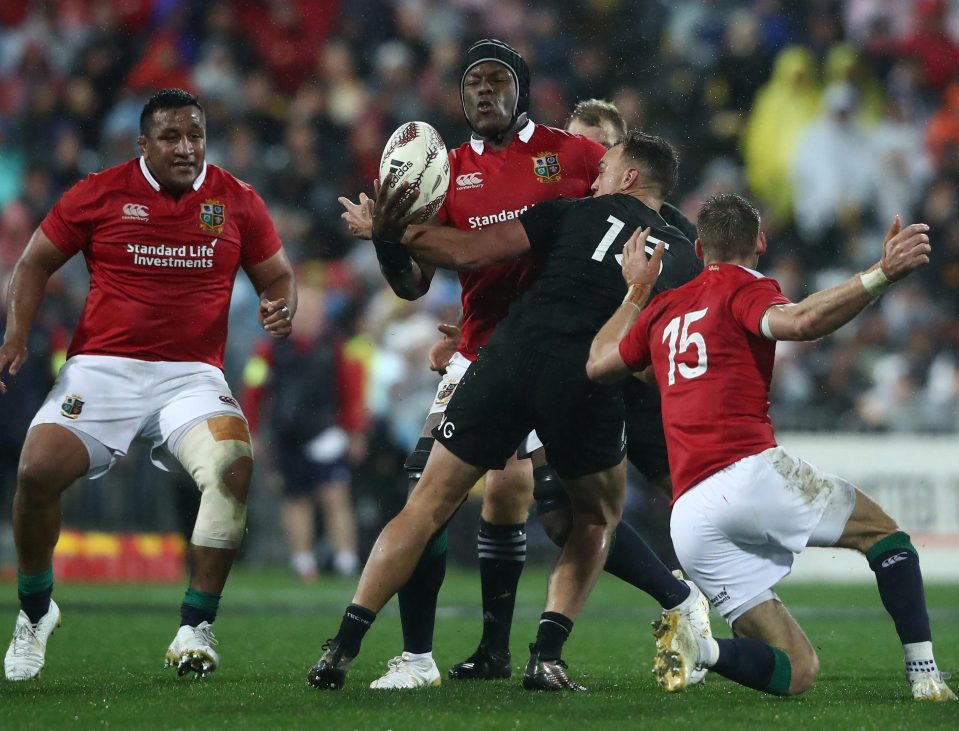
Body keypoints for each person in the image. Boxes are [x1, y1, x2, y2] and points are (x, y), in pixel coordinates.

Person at [338, 41, 705, 690]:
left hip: (571, 355)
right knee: (437, 496)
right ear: (458, 97)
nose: (484, 91)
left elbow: (646, 200)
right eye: (472, 81)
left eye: (497, 79)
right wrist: (389, 240)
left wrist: (686, 257)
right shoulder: (444, 172)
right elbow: (413, 283)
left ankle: (676, 601)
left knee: (568, 513)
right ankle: (424, 655)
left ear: (520, 90)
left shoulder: (574, 153)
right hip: (486, 352)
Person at [586, 193, 956, 702]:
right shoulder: (745, 286)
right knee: (887, 539)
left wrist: (636, 291)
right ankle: (925, 676)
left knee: (797, 671)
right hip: (748, 473)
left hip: (690, 516)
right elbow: (801, 322)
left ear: (697, 249)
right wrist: (881, 274)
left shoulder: (662, 308)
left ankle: (703, 651)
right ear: (760, 241)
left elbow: (599, 363)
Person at [0, 88, 296, 682]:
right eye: (171, 137)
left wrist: (280, 308)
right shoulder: (98, 193)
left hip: (191, 375)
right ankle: (35, 612)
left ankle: (196, 626)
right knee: (36, 473)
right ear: (143, 145)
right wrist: (16, 335)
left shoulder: (237, 200)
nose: (186, 148)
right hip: (102, 368)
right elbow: (33, 261)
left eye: (195, 136)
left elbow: (278, 276)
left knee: (234, 466)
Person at [242, 274, 367, 582]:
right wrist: (253, 430)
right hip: (287, 434)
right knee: (295, 498)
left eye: (316, 308)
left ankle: (346, 561)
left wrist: (354, 431)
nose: (311, 314)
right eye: (305, 308)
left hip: (326, 433)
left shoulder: (336, 345)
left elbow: (352, 390)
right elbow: (254, 390)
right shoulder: (269, 349)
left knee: (335, 495)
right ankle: (303, 562)